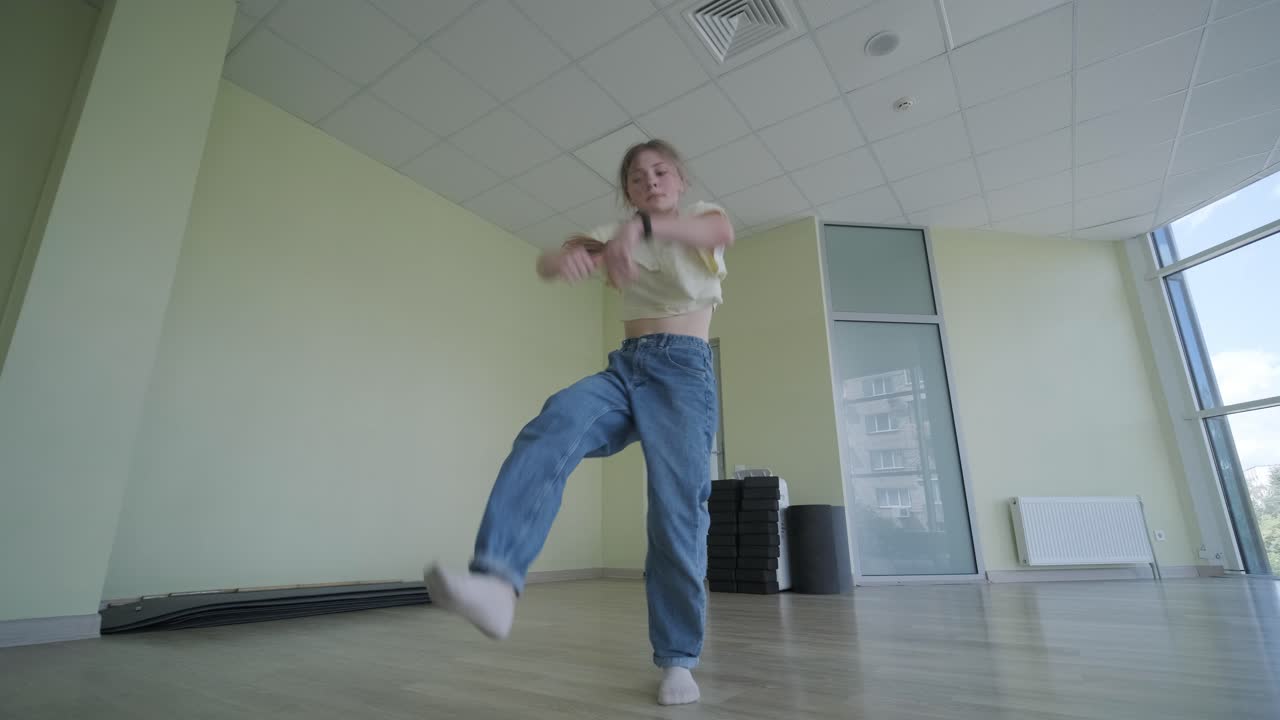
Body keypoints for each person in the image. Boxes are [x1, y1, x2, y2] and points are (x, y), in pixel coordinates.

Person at [424, 139, 734, 706]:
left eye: (661, 172)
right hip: (627, 367)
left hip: (684, 374)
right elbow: (550, 262)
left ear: (681, 179)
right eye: (637, 179)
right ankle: (497, 582)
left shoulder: (699, 217)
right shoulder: (614, 232)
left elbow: (718, 239)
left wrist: (636, 233)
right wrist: (568, 260)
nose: (651, 182)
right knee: (555, 422)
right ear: (627, 193)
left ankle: (677, 658)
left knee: (676, 512)